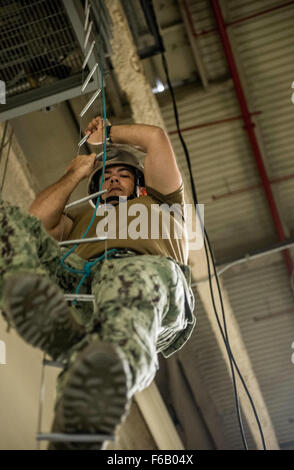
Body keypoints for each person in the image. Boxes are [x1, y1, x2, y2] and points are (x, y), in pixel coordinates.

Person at [0, 117, 195, 450]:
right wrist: (75, 173)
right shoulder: (80, 219)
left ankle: (104, 381)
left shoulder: (164, 204)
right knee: (8, 221)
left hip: (149, 281)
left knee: (129, 284)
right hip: (81, 282)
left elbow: (156, 139)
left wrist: (108, 134)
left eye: (123, 175)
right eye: (106, 176)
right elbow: (36, 221)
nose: (114, 179)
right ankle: (62, 329)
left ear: (141, 185)